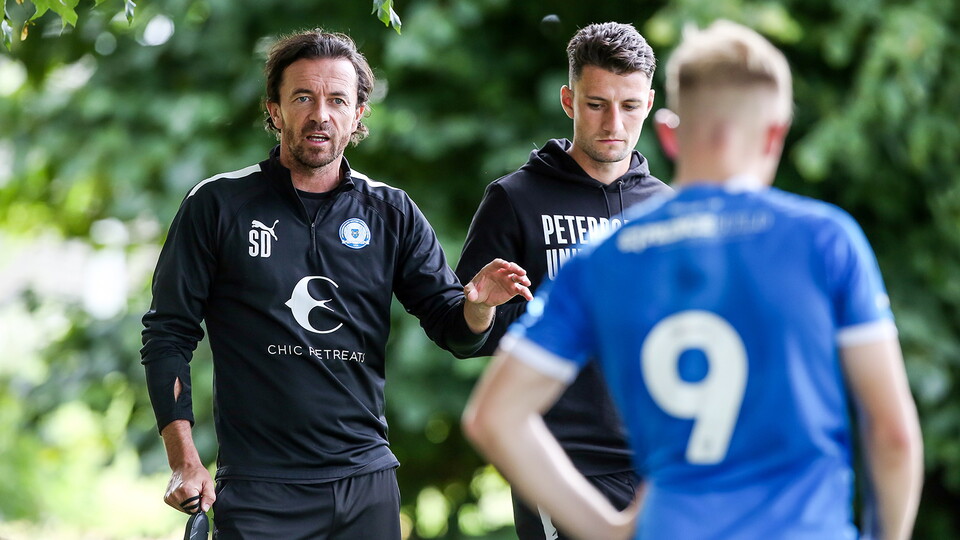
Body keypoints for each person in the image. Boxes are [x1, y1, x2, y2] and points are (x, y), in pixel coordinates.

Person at [462, 20, 923, 540]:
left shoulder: (606, 257)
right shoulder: (825, 240)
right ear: (775, 133)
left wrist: (606, 529)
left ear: (666, 129)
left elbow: (494, 417)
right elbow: (893, 436)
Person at [140, 29, 532, 539]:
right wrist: (183, 460)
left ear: (358, 115)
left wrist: (478, 307)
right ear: (275, 110)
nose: (319, 113)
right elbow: (168, 334)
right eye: (302, 97)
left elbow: (453, 329)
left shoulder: (391, 212)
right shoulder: (218, 204)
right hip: (260, 491)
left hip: (365, 486)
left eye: (336, 100)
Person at [454, 21, 670, 539]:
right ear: (569, 101)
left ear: (650, 102)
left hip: (657, 466)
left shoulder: (669, 210)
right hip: (559, 464)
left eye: (630, 105)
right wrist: (479, 307)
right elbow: (462, 337)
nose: (613, 122)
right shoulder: (515, 199)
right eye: (596, 104)